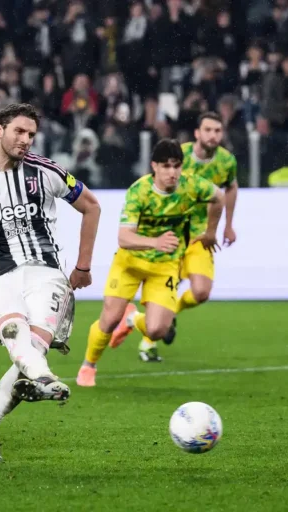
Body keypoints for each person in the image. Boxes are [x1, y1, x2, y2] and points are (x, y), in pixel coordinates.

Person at [0, 103, 101, 463]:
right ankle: (45, 380)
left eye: (31, 134)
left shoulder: (47, 172)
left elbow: (92, 206)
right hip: (0, 275)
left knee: (28, 354)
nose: (26, 140)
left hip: (47, 275)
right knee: (17, 337)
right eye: (19, 131)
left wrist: (83, 265)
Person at [76, 138, 224, 386]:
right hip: (129, 264)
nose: (172, 172)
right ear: (154, 166)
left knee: (157, 330)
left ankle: (132, 319)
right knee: (109, 319)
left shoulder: (191, 186)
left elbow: (218, 197)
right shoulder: (139, 191)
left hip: (164, 267)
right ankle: (88, 365)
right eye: (166, 166)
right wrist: (155, 242)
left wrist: (211, 232)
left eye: (176, 166)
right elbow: (124, 237)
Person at [159, 112, 238, 350]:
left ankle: (168, 314)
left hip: (202, 234)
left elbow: (230, 188)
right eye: (208, 130)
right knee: (162, 292)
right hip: (173, 232)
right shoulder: (179, 156)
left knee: (201, 292)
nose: (213, 135)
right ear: (197, 133)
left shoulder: (227, 161)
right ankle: (147, 339)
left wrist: (228, 224)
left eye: (217, 131)